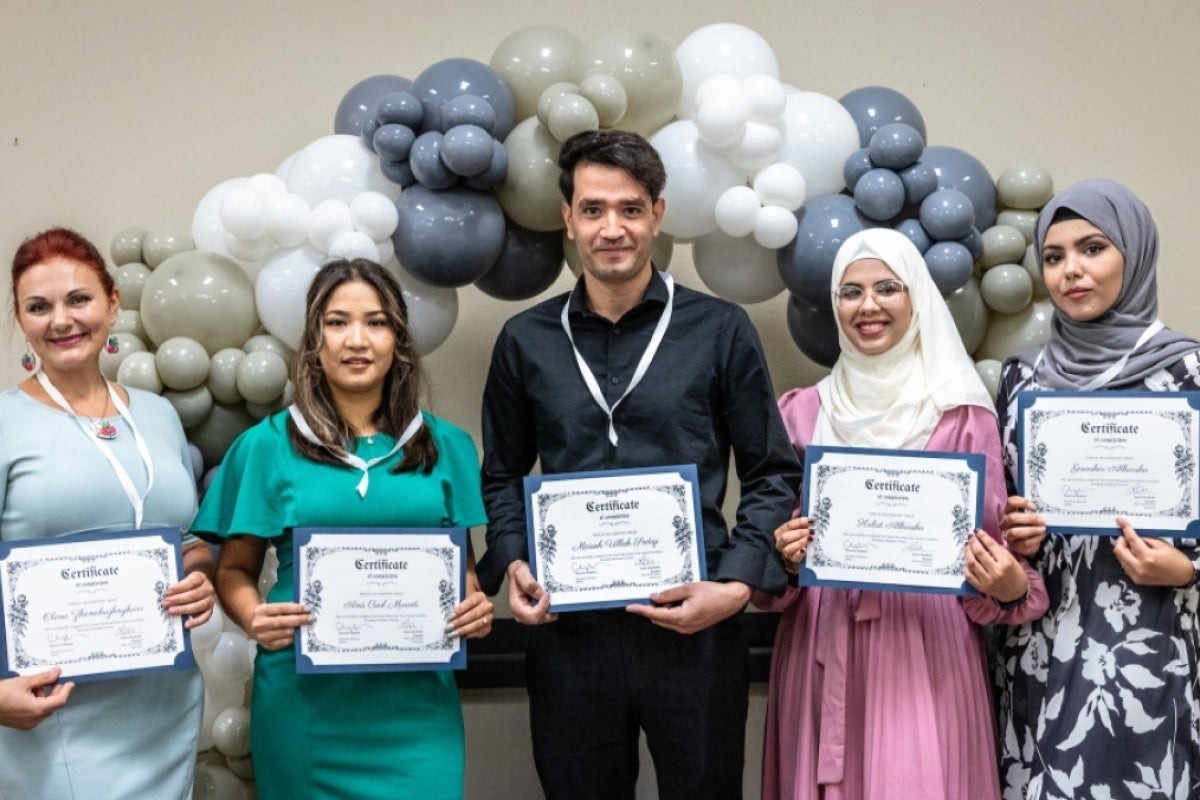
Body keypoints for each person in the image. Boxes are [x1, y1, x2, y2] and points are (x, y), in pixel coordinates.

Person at [477, 128, 802, 799]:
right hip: (570, 637)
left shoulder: (721, 329)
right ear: (568, 219)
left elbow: (773, 472)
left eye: (629, 209)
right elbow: (502, 473)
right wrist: (512, 560)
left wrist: (737, 587)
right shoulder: (525, 340)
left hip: (698, 628)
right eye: (593, 210)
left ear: (657, 214)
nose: (611, 228)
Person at [758, 228, 1048, 799]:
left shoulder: (964, 416)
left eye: (887, 287)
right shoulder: (798, 413)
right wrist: (785, 560)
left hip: (927, 649)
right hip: (821, 643)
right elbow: (772, 566)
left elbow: (996, 567)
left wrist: (1010, 583)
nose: (867, 306)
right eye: (851, 291)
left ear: (917, 296)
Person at [193, 258, 493, 800]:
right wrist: (252, 615)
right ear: (313, 340)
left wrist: (474, 606)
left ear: (399, 339)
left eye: (376, 322)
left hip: (416, 713)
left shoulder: (448, 447)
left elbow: (462, 570)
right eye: (337, 322)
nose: (357, 339)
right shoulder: (266, 445)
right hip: (304, 707)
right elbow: (233, 570)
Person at [995, 179, 1200, 798]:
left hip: (1152, 639)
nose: (1070, 272)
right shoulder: (1020, 379)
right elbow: (996, 514)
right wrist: (1015, 536)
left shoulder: (1187, 372)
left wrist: (1189, 569)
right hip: (1040, 641)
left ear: (1133, 255)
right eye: (1053, 257)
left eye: (1093, 249)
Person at [0, 227, 215, 798]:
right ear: (21, 320)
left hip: (164, 705)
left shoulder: (159, 414)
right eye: (38, 307)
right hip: (52, 714)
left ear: (113, 302)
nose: (61, 320)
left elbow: (186, 539)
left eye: (79, 299)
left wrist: (200, 575)